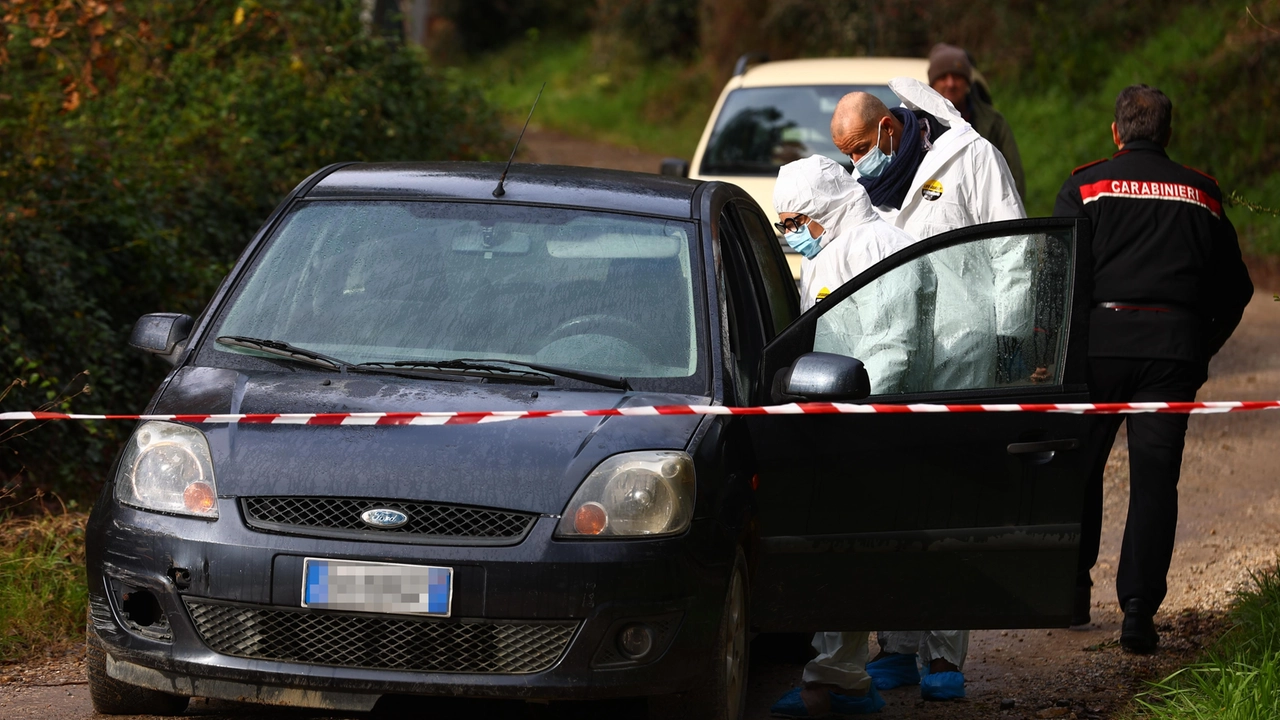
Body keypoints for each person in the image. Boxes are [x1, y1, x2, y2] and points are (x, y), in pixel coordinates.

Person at [826, 78, 1032, 701]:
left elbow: (1014, 251)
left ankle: (943, 656)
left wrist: (1010, 343)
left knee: (950, 503)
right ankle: (899, 644)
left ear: (889, 128)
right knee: (898, 502)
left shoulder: (969, 157)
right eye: (847, 153)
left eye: (861, 147)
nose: (857, 163)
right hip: (894, 357)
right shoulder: (864, 189)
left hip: (961, 359)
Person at [1054, 85, 1252, 652]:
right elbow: (1236, 289)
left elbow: (1060, 277)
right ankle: (1139, 612)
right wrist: (1199, 344)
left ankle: (1071, 592)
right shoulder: (1203, 194)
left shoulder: (1085, 186)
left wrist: (1064, 349)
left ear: (1116, 132)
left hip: (1097, 351)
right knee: (1154, 481)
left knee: (1081, 471)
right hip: (1172, 354)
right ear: (1167, 134)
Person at [767, 155, 935, 717]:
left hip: (866, 421)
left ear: (825, 209)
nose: (792, 235)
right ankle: (845, 680)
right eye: (783, 225)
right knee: (848, 550)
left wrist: (854, 414)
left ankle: (837, 681)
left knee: (847, 551)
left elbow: (892, 345)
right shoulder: (841, 248)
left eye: (795, 222)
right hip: (847, 417)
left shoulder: (870, 248)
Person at [927, 43, 1027, 203]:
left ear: (968, 82)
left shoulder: (993, 122)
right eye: (943, 77)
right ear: (932, 83)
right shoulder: (917, 123)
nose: (950, 83)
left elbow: (1014, 178)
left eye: (957, 76)